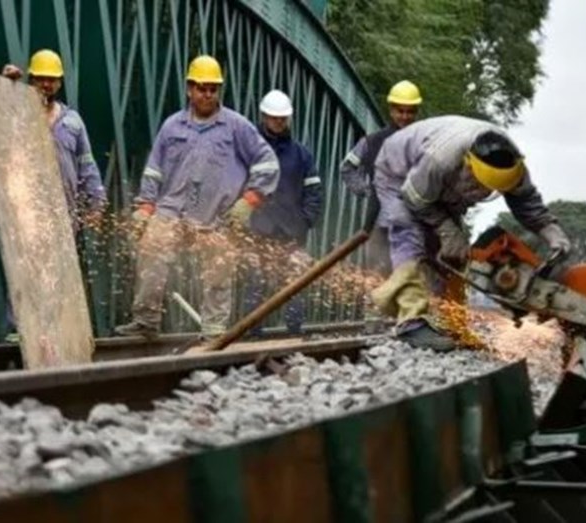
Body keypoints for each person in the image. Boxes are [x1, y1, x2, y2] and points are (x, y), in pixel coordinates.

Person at [371, 115, 571, 351]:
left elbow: (526, 203)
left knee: (453, 255)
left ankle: (449, 323)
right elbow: (415, 199)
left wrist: (552, 233)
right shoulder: (439, 160)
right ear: (468, 164)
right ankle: (411, 323)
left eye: (490, 188)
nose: (483, 191)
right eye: (479, 184)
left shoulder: (513, 166)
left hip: (442, 187)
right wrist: (447, 230)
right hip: (400, 175)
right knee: (408, 232)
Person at [114, 55, 280, 339]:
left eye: (213, 88)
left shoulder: (236, 126)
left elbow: (268, 163)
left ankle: (213, 330)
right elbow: (154, 170)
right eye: (201, 88)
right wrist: (145, 206)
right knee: (151, 252)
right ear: (189, 88)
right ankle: (145, 321)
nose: (207, 94)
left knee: (218, 270)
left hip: (217, 215)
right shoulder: (172, 126)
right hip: (172, 211)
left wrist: (249, 201)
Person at [0, 50, 108, 342]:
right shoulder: (18, 113)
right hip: (25, 205)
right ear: (31, 80)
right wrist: (5, 84)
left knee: (56, 272)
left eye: (52, 80)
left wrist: (96, 202)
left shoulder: (72, 122)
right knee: (23, 266)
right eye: (40, 80)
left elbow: (87, 165)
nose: (46, 85)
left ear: (59, 83)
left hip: (64, 210)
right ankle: (19, 328)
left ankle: (51, 331)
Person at [339, 81, 422, 331]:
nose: (404, 117)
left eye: (409, 111)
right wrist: (366, 191)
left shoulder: (424, 143)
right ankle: (373, 322)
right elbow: (347, 168)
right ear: (391, 110)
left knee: (409, 272)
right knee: (376, 270)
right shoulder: (372, 142)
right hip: (379, 222)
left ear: (416, 112)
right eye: (400, 110)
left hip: (412, 222)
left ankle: (407, 321)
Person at [242, 90, 322, 336]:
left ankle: (294, 335)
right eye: (274, 117)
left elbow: (314, 191)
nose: (278, 122)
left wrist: (305, 221)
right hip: (257, 231)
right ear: (264, 116)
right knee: (256, 284)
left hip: (291, 233)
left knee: (294, 286)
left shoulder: (301, 154)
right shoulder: (250, 150)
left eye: (282, 118)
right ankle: (253, 335)